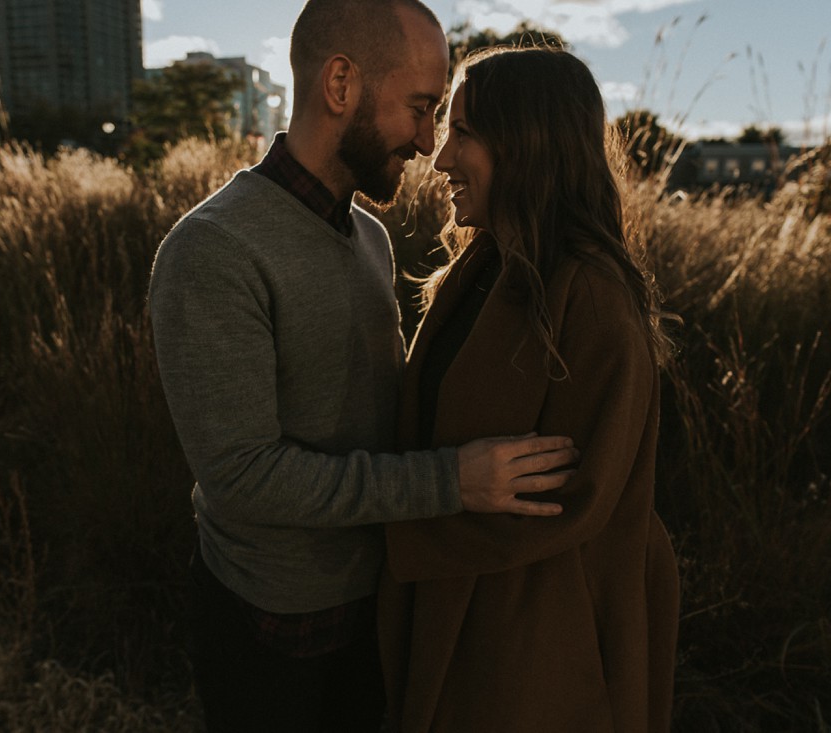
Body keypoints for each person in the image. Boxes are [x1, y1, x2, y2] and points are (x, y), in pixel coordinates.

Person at [147, 3, 578, 731]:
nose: (427, 140)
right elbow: (244, 476)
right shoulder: (214, 250)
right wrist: (453, 480)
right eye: (419, 107)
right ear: (340, 83)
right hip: (273, 631)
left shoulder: (371, 236)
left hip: (378, 601)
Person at [378, 46, 681, 732]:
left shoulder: (591, 293)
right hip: (457, 616)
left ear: (529, 143)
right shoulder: (480, 268)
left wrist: (387, 520)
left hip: (533, 650)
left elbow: (571, 499)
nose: (442, 156)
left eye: (465, 133)